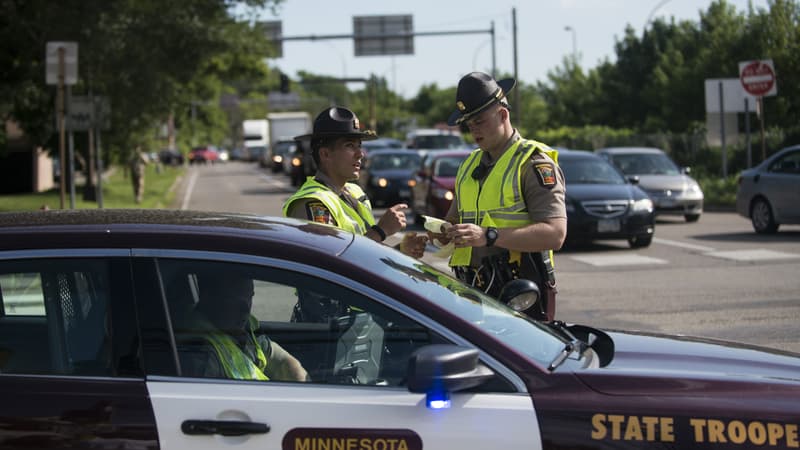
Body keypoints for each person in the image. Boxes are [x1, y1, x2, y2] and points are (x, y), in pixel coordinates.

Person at [428, 72, 567, 321]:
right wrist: (441, 233)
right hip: (473, 292)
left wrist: (488, 236)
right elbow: (453, 219)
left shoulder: (533, 163)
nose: (473, 130)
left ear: (503, 115)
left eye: (479, 121)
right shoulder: (469, 165)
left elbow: (555, 234)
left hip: (522, 296)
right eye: (469, 124)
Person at [283, 106, 427, 258]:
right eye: (349, 146)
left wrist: (400, 251)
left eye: (359, 146)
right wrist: (380, 231)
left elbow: (366, 259)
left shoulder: (354, 191)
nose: (360, 154)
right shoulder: (313, 202)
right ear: (325, 154)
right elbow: (329, 262)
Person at [185, 270, 309, 382]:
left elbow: (283, 362)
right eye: (234, 301)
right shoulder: (200, 351)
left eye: (249, 298)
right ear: (210, 299)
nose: (246, 310)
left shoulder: (246, 326)